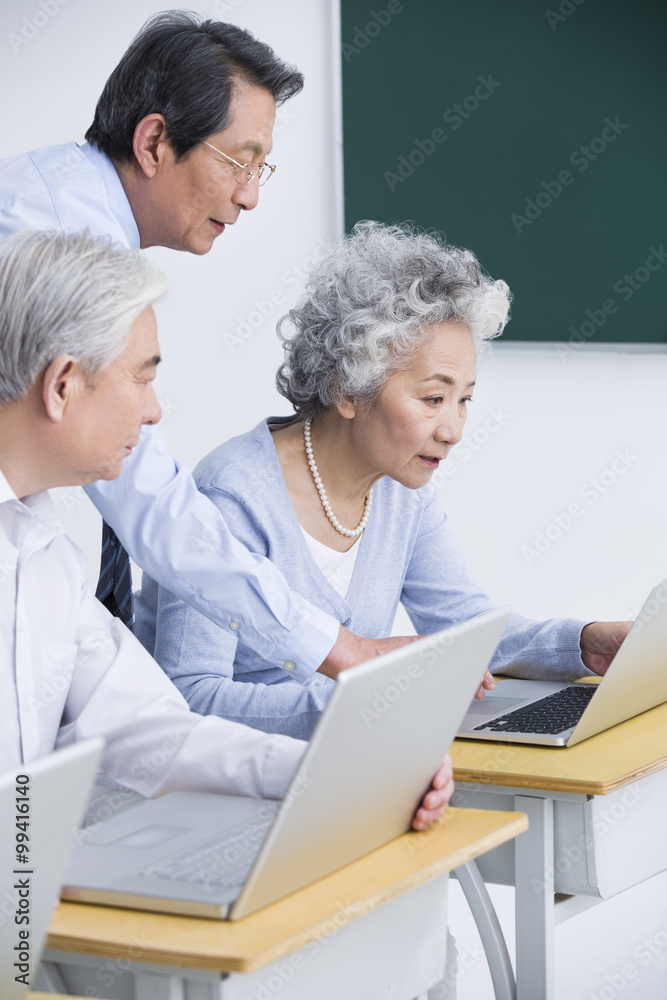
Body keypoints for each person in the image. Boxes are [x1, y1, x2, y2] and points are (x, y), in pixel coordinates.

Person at [0, 11, 406, 689]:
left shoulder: (71, 211)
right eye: (238, 164)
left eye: (261, 170)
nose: (248, 197)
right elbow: (151, 504)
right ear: (155, 140)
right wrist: (329, 645)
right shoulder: (56, 241)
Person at [0, 227, 451, 830]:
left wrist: (333, 773)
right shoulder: (235, 484)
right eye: (141, 376)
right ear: (62, 387)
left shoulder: (43, 552)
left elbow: (146, 731)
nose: (154, 410)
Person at [137, 222, 632, 739]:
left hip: (346, 769)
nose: (454, 430)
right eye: (433, 399)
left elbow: (466, 629)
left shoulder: (399, 488)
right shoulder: (234, 495)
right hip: (228, 788)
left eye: (464, 399)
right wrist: (368, 698)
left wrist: (584, 642)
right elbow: (192, 695)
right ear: (347, 389)